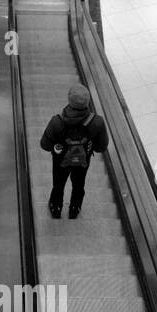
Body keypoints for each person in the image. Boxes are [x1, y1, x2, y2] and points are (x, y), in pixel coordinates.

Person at [40, 82, 108, 219]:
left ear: (69, 100)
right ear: (87, 102)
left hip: (60, 161)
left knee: (58, 184)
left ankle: (56, 207)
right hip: (83, 162)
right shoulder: (97, 122)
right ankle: (74, 208)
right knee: (79, 184)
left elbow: (45, 145)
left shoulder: (56, 122)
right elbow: (101, 147)